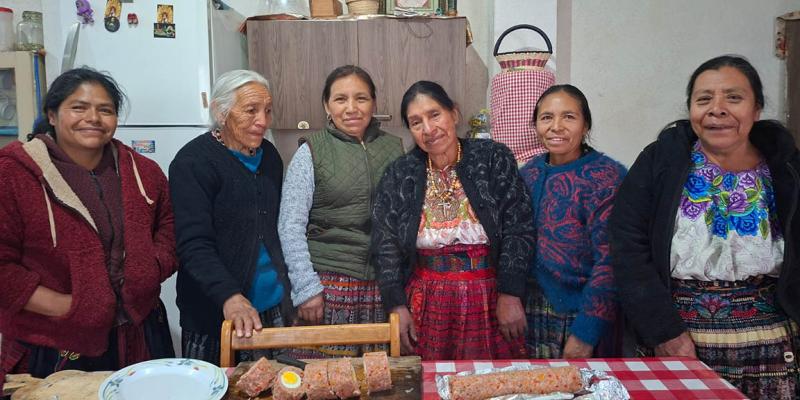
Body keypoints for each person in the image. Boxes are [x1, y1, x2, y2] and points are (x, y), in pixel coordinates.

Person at [610, 55, 800, 399]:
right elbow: (627, 247)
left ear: (756, 108)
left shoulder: (787, 169)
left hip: (770, 350)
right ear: (690, 109)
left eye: (733, 98)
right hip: (679, 345)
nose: (717, 109)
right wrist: (663, 331)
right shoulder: (660, 162)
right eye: (704, 99)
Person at [0, 68, 176, 384]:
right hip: (54, 340)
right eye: (78, 107)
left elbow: (168, 228)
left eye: (105, 110)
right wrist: (69, 306)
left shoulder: (144, 172)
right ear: (52, 115)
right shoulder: (13, 174)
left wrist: (149, 271)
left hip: (140, 331)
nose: (93, 118)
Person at [371, 81, 535, 360]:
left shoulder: (493, 158)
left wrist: (510, 292)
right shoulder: (400, 173)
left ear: (454, 114)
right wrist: (396, 306)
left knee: (490, 378)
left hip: (489, 297)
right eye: (416, 122)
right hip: (425, 300)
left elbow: (519, 225)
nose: (428, 129)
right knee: (427, 378)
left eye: (435, 115)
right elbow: (384, 242)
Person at [278, 65, 403, 358]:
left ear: (374, 103)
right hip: (328, 285)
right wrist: (306, 288)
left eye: (361, 98)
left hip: (382, 285)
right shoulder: (311, 152)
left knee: (377, 375)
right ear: (326, 105)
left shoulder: (394, 148)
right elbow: (290, 225)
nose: (351, 108)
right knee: (325, 375)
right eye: (340, 99)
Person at [170, 70, 293, 365]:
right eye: (251, 110)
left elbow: (276, 229)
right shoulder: (193, 162)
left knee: (279, 383)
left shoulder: (270, 157)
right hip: (218, 310)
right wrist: (230, 297)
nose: (262, 121)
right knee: (220, 384)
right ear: (220, 112)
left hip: (273, 305)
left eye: (267, 110)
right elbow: (193, 243)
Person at [519, 85, 626, 359]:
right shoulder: (527, 174)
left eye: (568, 117)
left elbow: (612, 260)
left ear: (585, 124)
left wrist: (586, 333)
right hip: (529, 313)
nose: (556, 126)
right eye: (546, 117)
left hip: (583, 313)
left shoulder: (606, 177)